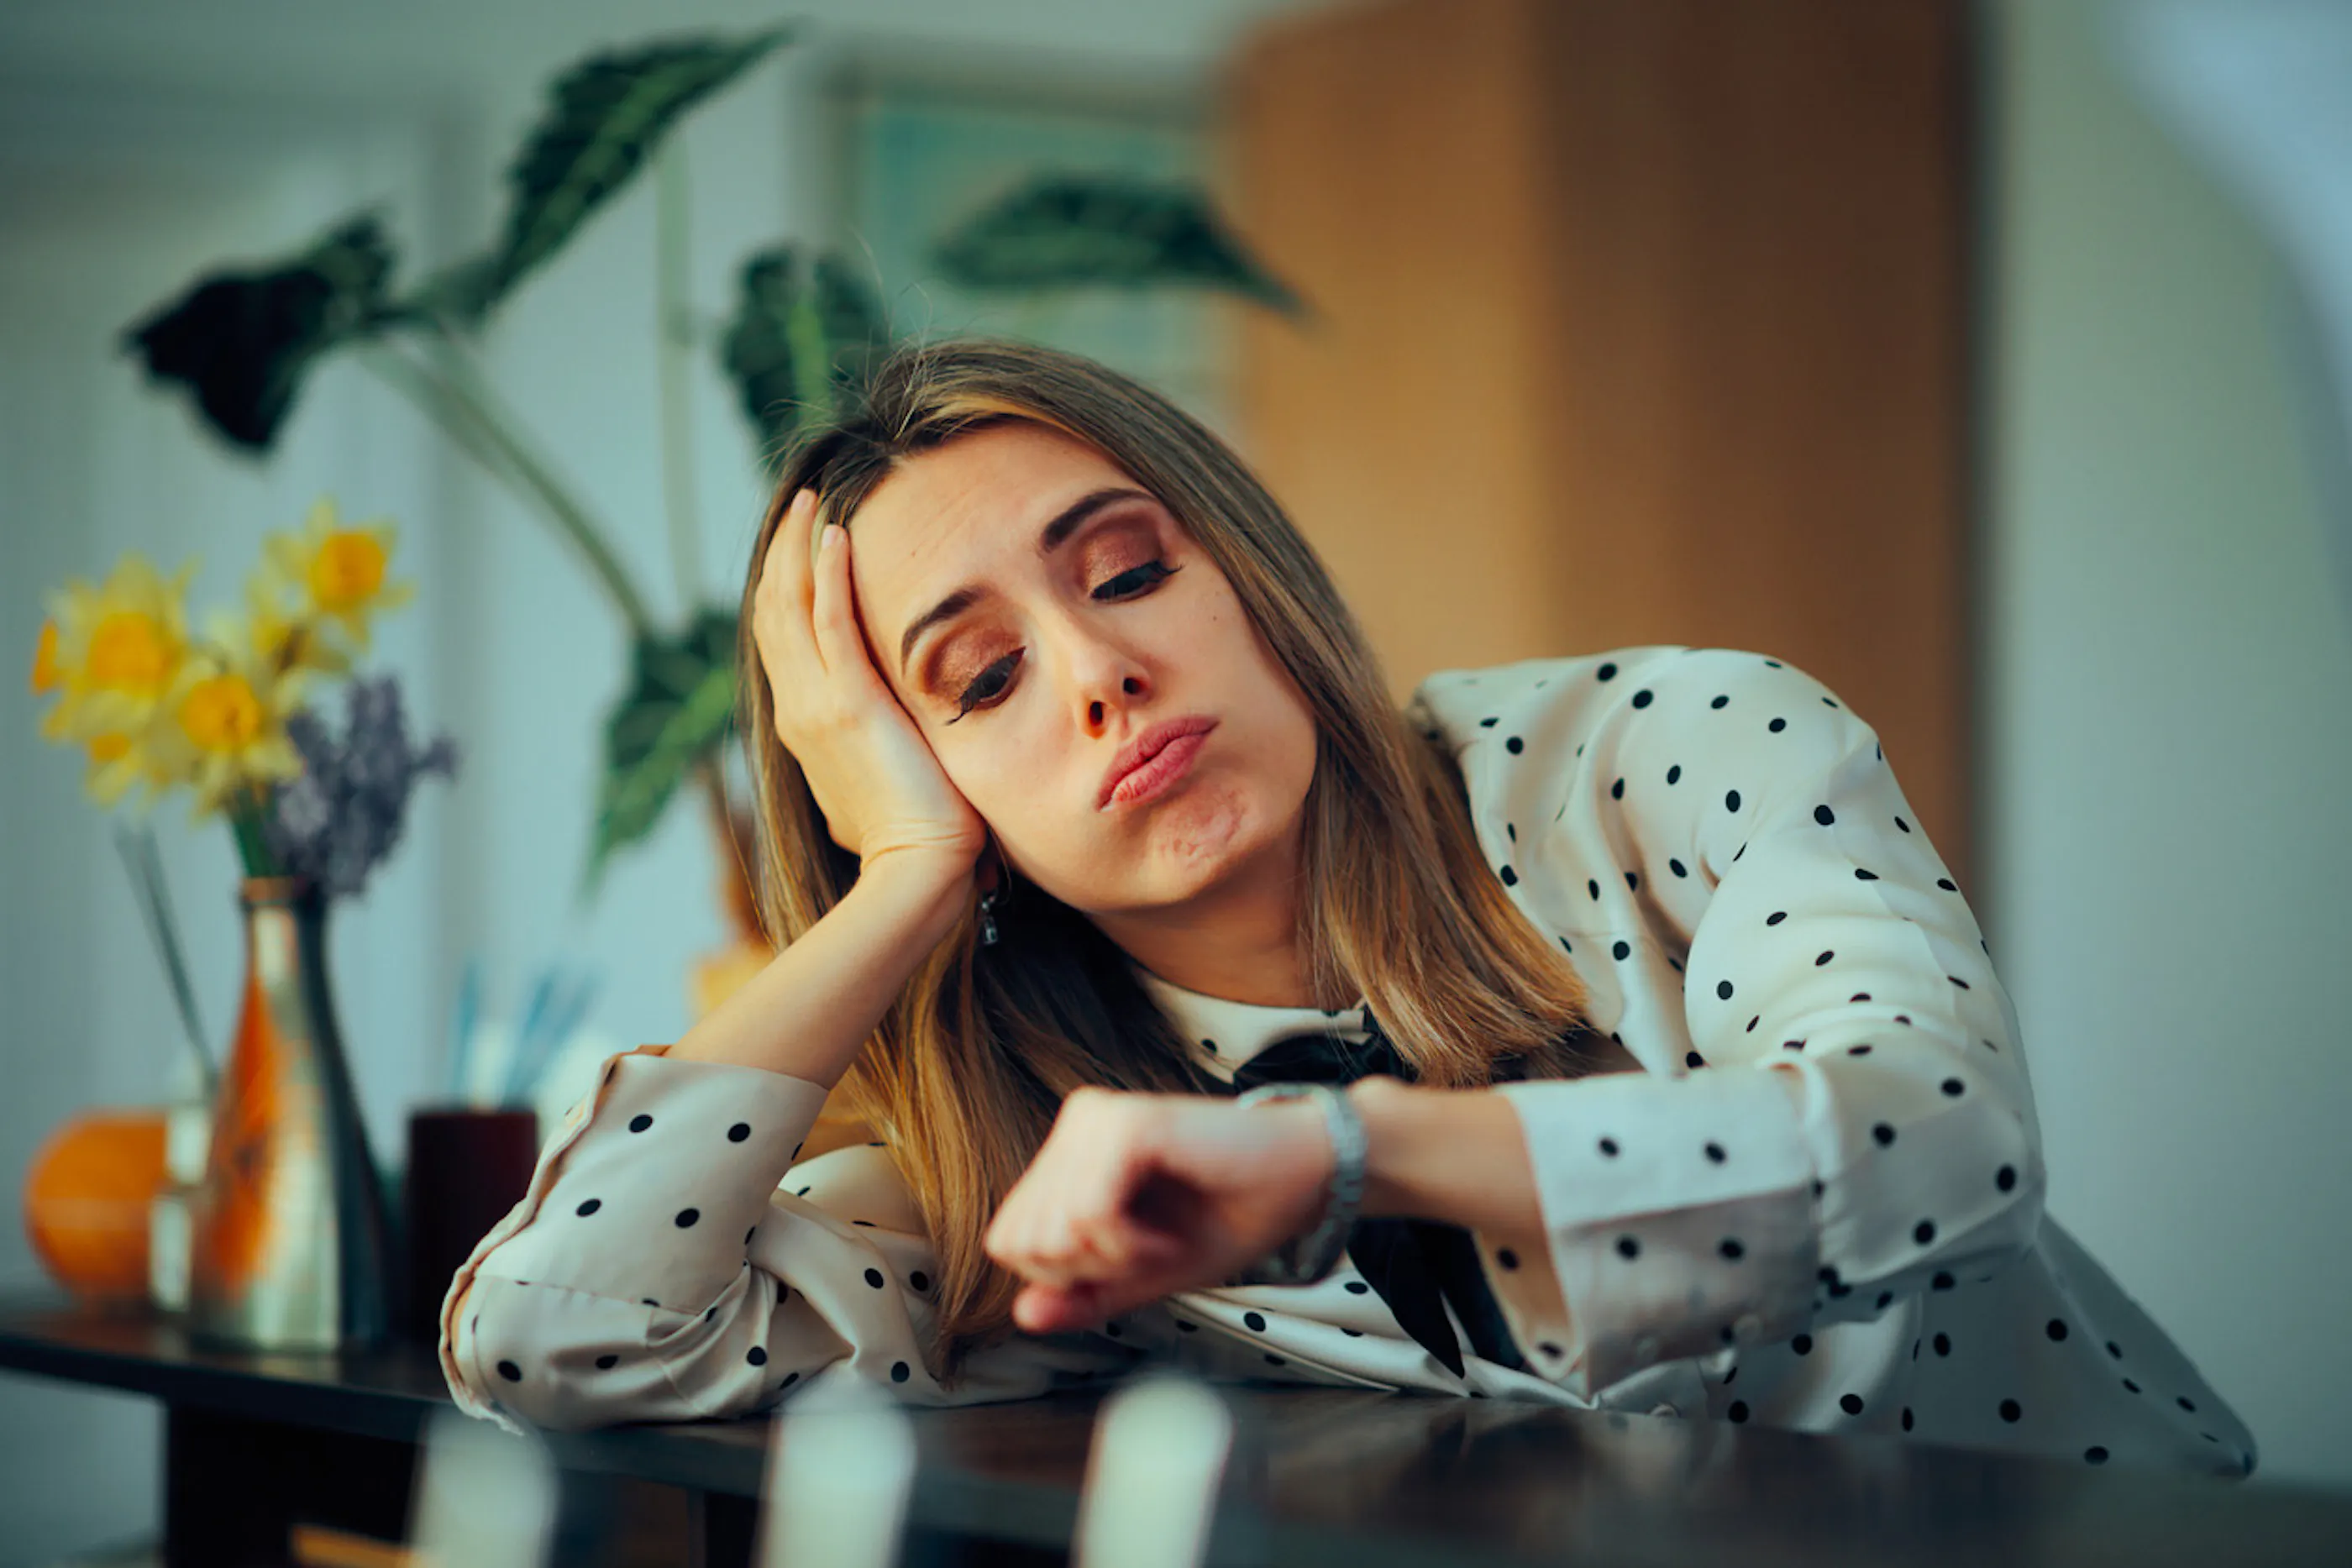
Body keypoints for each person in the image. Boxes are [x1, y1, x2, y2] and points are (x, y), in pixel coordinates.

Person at [440, 338, 2255, 1477]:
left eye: (1131, 569)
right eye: (977, 682)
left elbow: (1944, 1137)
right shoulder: (1026, 1165)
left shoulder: (1658, 752)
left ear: (1247, 569)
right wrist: (895, 889)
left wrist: (1339, 1160)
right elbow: (563, 1344)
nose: (1097, 671)